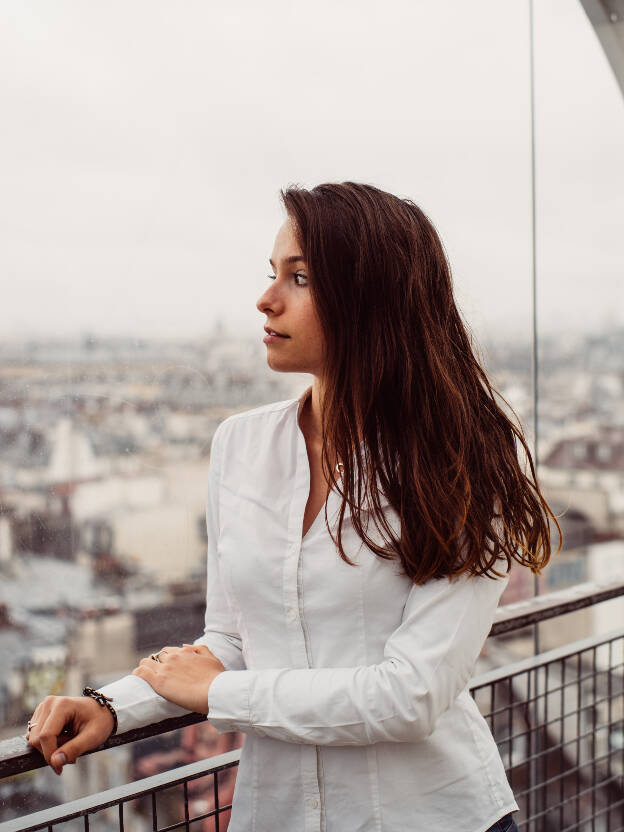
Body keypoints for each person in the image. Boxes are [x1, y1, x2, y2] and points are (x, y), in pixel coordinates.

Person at [27, 182, 561, 832]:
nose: (266, 297)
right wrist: (112, 706)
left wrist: (218, 694)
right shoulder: (241, 445)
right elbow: (232, 639)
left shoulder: (459, 464)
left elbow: (410, 697)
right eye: (273, 273)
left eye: (300, 277)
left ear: (372, 301)